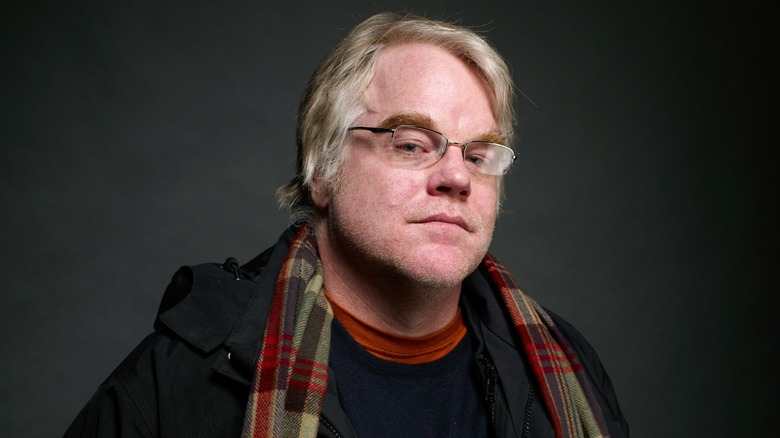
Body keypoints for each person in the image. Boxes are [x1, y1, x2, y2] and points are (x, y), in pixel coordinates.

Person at [65, 12, 628, 438]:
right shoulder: (185, 380)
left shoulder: (565, 367)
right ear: (322, 169)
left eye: (480, 155)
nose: (457, 175)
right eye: (411, 144)